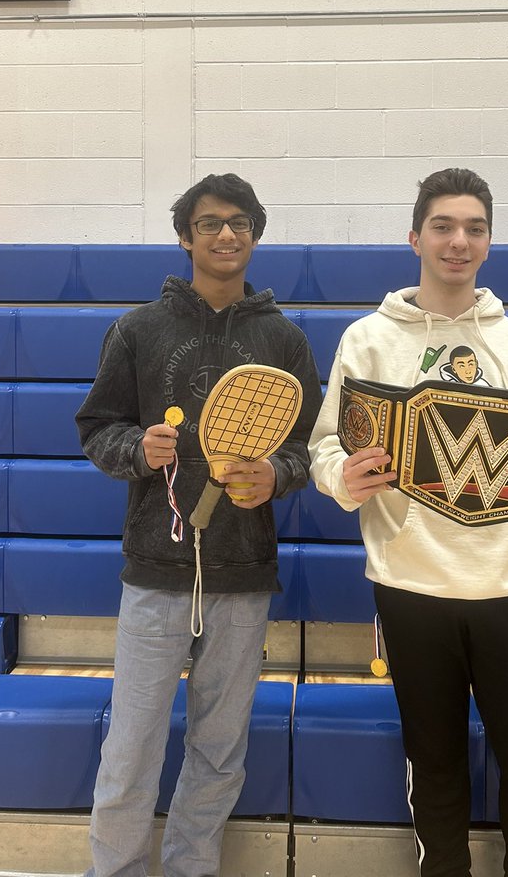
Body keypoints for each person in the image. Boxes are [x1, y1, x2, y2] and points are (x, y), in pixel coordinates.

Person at [308, 167, 508, 877]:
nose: (457, 241)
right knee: (433, 768)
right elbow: (325, 448)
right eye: (443, 226)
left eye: (473, 228)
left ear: (489, 243)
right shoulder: (367, 341)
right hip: (410, 588)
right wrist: (341, 480)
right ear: (415, 237)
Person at [76, 172, 322, 877]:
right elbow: (98, 429)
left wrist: (278, 474)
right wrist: (136, 449)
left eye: (240, 223)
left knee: (219, 751)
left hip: (244, 578)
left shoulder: (283, 339)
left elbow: (311, 446)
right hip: (155, 574)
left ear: (255, 236)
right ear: (186, 237)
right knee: (131, 747)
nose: (226, 234)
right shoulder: (138, 329)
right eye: (211, 223)